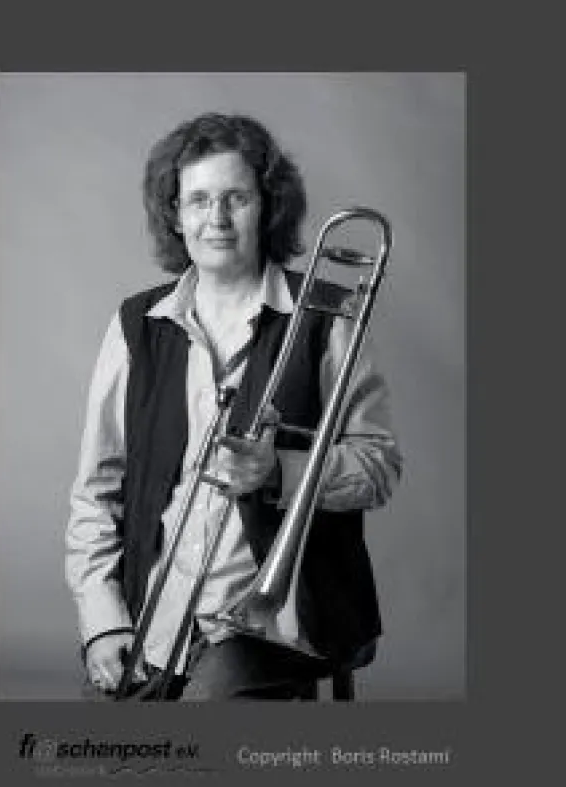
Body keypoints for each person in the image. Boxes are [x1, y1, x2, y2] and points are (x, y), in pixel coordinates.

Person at [65, 112, 402, 701]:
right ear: (174, 214)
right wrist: (102, 620)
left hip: (280, 623)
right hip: (154, 619)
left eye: (235, 198)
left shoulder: (327, 316)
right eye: (197, 200)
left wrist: (280, 471)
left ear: (267, 206)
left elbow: (378, 466)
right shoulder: (133, 327)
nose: (215, 219)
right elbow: (97, 491)